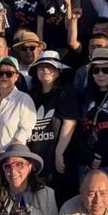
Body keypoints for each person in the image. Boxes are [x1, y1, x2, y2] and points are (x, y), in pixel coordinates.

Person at [75, 48, 108, 197]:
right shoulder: (85, 94)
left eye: (106, 70)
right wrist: (87, 155)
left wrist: (99, 155)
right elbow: (77, 128)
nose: (100, 74)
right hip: (85, 161)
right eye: (96, 70)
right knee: (85, 205)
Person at [26, 51, 80, 192]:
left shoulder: (66, 92)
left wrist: (59, 153)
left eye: (50, 67)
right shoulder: (31, 94)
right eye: (41, 67)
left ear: (58, 71)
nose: (45, 70)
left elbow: (70, 123)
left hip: (57, 159)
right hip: (35, 158)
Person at [0, 56, 37, 168]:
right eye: (0, 73)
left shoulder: (24, 99)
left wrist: (8, 153)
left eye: (9, 73)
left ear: (16, 76)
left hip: (14, 164)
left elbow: (25, 130)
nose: (4, 76)